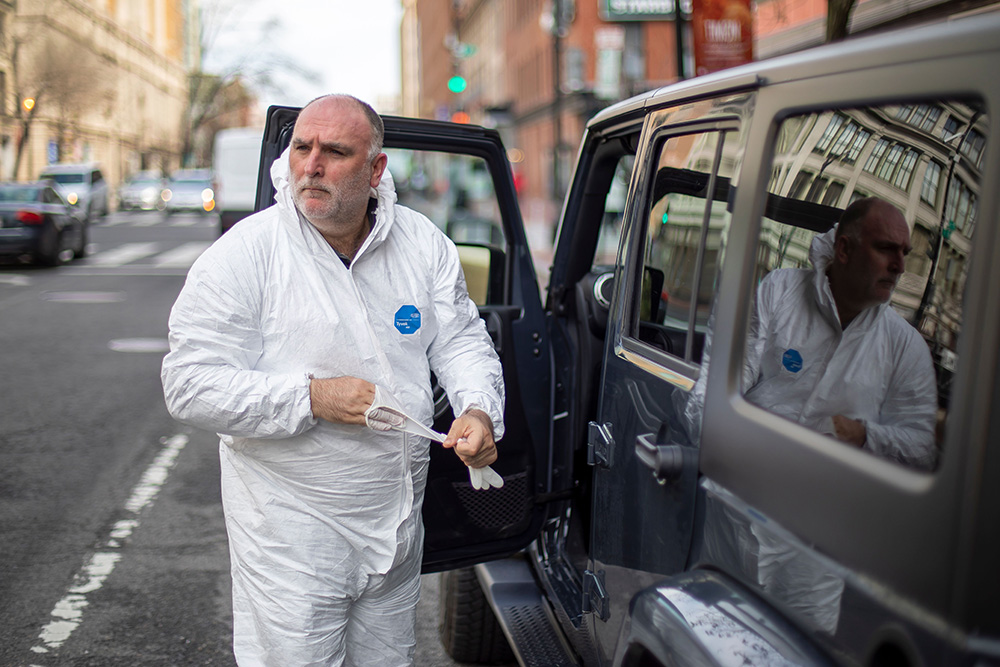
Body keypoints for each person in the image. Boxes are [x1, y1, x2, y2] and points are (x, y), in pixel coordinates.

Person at [161, 94, 505, 666]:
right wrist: (310, 396)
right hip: (290, 537)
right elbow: (189, 384)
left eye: (335, 152)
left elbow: (461, 339)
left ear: (375, 169)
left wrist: (476, 408)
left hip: (394, 529)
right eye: (302, 147)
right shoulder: (247, 253)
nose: (311, 165)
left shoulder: (421, 244)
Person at [743, 196, 938, 470]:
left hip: (824, 503)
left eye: (905, 252)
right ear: (845, 249)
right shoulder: (780, 292)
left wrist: (866, 436)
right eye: (886, 248)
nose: (900, 266)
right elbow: (725, 380)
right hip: (740, 480)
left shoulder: (905, 347)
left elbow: (922, 450)